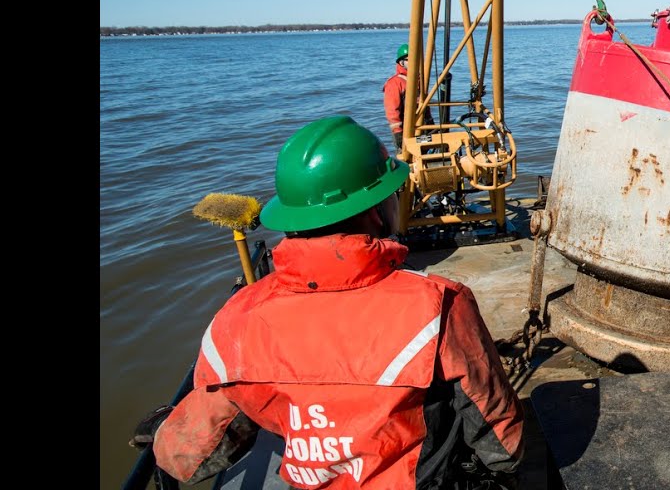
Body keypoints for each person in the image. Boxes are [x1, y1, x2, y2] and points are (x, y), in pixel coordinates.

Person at [131, 115, 524, 488]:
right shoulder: (438, 306)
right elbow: (501, 438)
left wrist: (163, 429)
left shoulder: (236, 319)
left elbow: (188, 457)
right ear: (375, 211)